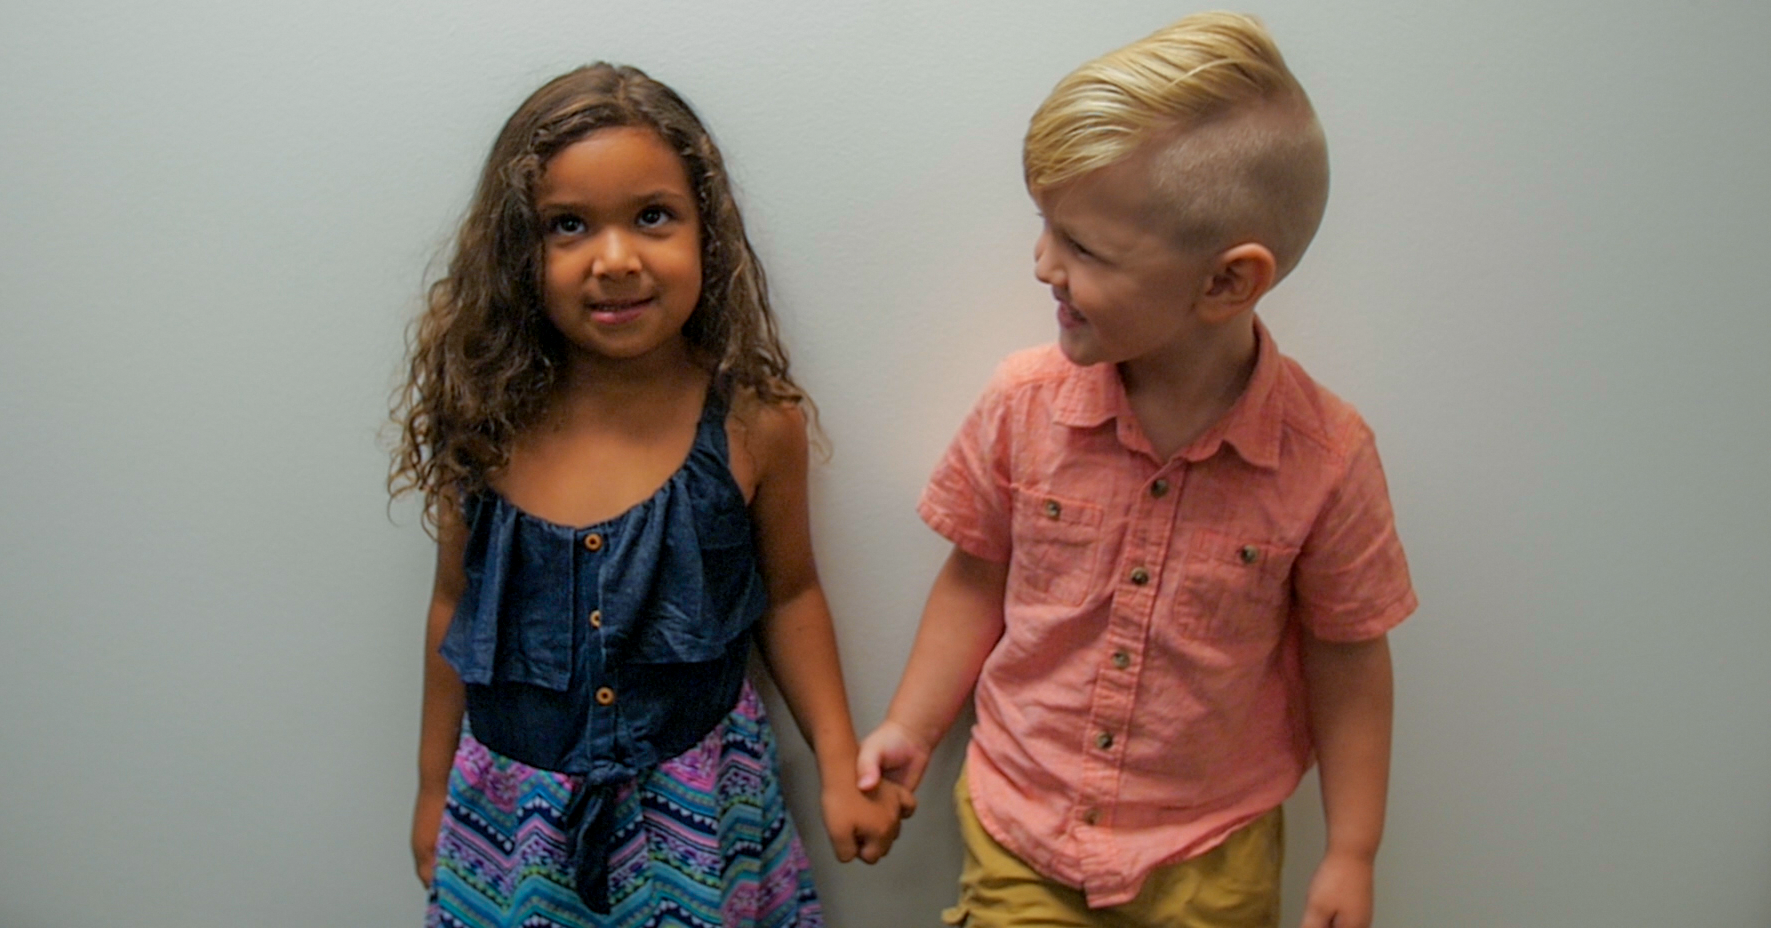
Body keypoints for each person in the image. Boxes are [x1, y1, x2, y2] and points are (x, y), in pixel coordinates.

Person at [856, 13, 1416, 928]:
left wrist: (1352, 851)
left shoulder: (1327, 459)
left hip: (1210, 851)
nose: (1043, 265)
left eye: (1082, 248)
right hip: (1021, 829)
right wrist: (911, 729)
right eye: (1047, 228)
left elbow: (1349, 658)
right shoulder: (1021, 404)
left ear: (1226, 283)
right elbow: (973, 579)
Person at [390, 63, 911, 928]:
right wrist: (430, 788)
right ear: (520, 252)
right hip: (513, 826)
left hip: (706, 819)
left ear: (708, 232)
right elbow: (454, 606)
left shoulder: (753, 423)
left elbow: (790, 594)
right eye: (568, 225)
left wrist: (835, 758)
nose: (616, 259)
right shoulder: (485, 426)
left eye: (653, 216)